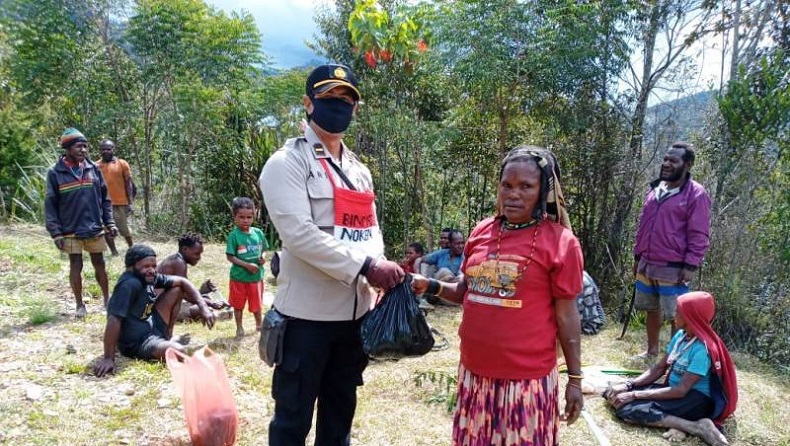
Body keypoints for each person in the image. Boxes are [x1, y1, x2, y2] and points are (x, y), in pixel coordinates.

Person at [258, 63, 404, 446]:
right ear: (308, 103)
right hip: (306, 320)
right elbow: (299, 236)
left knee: (339, 422)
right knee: (291, 423)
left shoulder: (359, 171)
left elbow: (370, 231)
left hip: (354, 317)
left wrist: (379, 270)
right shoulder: (287, 163)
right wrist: (367, 266)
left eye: (346, 98)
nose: (338, 104)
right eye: (328, 96)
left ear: (355, 108)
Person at [412, 145, 584, 445]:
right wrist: (429, 285)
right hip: (475, 373)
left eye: (526, 186)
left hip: (526, 381)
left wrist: (575, 380)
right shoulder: (481, 231)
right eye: (507, 185)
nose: (513, 194)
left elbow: (567, 316)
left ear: (543, 191)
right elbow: (465, 292)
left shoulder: (561, 243)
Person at [603, 291, 737, 446]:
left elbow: (681, 390)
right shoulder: (681, 336)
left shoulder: (702, 350)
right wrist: (629, 385)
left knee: (628, 410)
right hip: (672, 391)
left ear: (691, 317)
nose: (674, 314)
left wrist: (634, 395)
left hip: (694, 400)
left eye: (679, 311)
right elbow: (659, 368)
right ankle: (682, 422)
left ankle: (696, 427)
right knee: (612, 393)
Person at [633, 142, 711, 358]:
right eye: (665, 159)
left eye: (673, 161)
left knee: (677, 315)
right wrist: (637, 256)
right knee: (651, 308)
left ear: (688, 164)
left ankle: (673, 357)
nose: (667, 164)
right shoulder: (656, 189)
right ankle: (651, 351)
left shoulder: (696, 194)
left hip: (673, 266)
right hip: (647, 262)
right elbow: (643, 226)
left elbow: (699, 233)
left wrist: (690, 265)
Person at [93, 245, 216, 377]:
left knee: (178, 289)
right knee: (179, 351)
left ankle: (167, 336)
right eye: (146, 266)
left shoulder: (149, 277)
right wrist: (108, 358)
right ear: (131, 267)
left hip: (152, 325)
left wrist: (203, 306)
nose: (151, 270)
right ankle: (164, 344)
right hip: (139, 342)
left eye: (154, 266)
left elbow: (182, 281)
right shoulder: (129, 284)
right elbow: (114, 319)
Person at [45, 128, 117, 317]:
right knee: (75, 264)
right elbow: (50, 204)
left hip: (94, 227)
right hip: (70, 229)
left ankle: (107, 301)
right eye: (79, 146)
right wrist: (56, 233)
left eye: (85, 146)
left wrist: (109, 222)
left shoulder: (93, 169)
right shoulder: (55, 172)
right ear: (68, 148)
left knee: (99, 263)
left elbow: (105, 199)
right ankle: (79, 305)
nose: (83, 150)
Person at [156, 233, 230, 323]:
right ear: (185, 249)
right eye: (196, 254)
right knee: (198, 309)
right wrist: (210, 303)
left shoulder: (176, 259)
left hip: (164, 300)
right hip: (158, 307)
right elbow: (185, 293)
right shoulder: (178, 263)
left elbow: (186, 292)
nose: (199, 258)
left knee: (204, 298)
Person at [225, 196, 269, 338]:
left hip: (255, 278)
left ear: (253, 216)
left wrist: (263, 256)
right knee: (238, 305)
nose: (245, 220)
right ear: (234, 217)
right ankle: (239, 327)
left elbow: (264, 248)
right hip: (239, 278)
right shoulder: (234, 236)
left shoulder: (258, 233)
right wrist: (246, 265)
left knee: (257, 305)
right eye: (241, 217)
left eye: (249, 217)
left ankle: (259, 325)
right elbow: (230, 256)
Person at [96, 139, 135, 255]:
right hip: (103, 204)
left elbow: (128, 184)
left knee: (124, 229)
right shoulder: (96, 166)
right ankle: (114, 252)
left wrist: (130, 202)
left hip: (120, 202)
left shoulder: (122, 164)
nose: (106, 151)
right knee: (106, 229)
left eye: (108, 149)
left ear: (113, 149)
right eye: (103, 149)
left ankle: (132, 248)